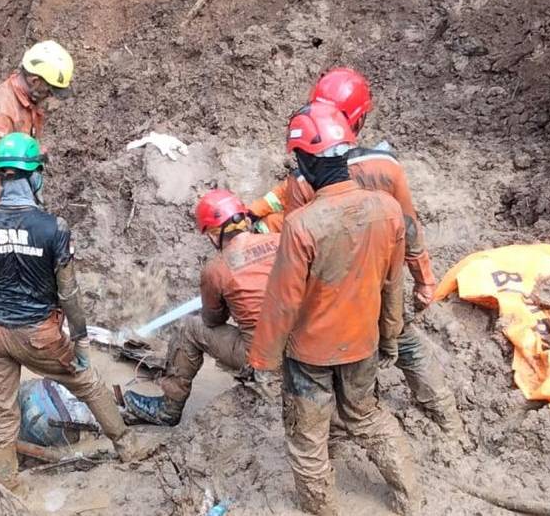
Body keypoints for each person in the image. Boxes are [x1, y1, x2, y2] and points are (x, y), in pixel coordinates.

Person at [248, 67, 465, 441]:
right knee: (404, 341)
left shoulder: (304, 179)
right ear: (359, 117)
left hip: (331, 297)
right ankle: (446, 420)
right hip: (379, 282)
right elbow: (409, 229)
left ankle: (340, 427)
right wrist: (425, 280)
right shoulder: (387, 166)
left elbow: (297, 242)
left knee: (326, 365)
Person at [249, 103, 420, 516]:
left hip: (310, 353)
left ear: (306, 161)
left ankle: (321, 509)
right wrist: (391, 334)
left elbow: (282, 301)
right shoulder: (388, 209)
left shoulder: (302, 225)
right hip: (363, 340)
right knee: (367, 417)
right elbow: (393, 282)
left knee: (308, 438)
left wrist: (262, 359)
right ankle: (409, 499)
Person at [0, 132, 146, 490]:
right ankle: (129, 448)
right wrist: (79, 341)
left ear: (1, 177)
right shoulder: (53, 228)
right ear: (34, 176)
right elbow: (69, 292)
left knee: (0, 417)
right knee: (89, 384)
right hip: (40, 336)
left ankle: (6, 488)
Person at [122, 189, 276, 426]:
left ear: (214, 235)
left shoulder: (216, 269)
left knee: (190, 328)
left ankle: (168, 409)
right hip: (304, 347)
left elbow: (213, 320)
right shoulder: (280, 240)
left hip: (263, 357)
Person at [0, 41, 73, 213]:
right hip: (2, 196)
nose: (49, 97)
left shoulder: (28, 98)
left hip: (18, 183)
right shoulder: (1, 114)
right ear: (35, 80)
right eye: (49, 91)